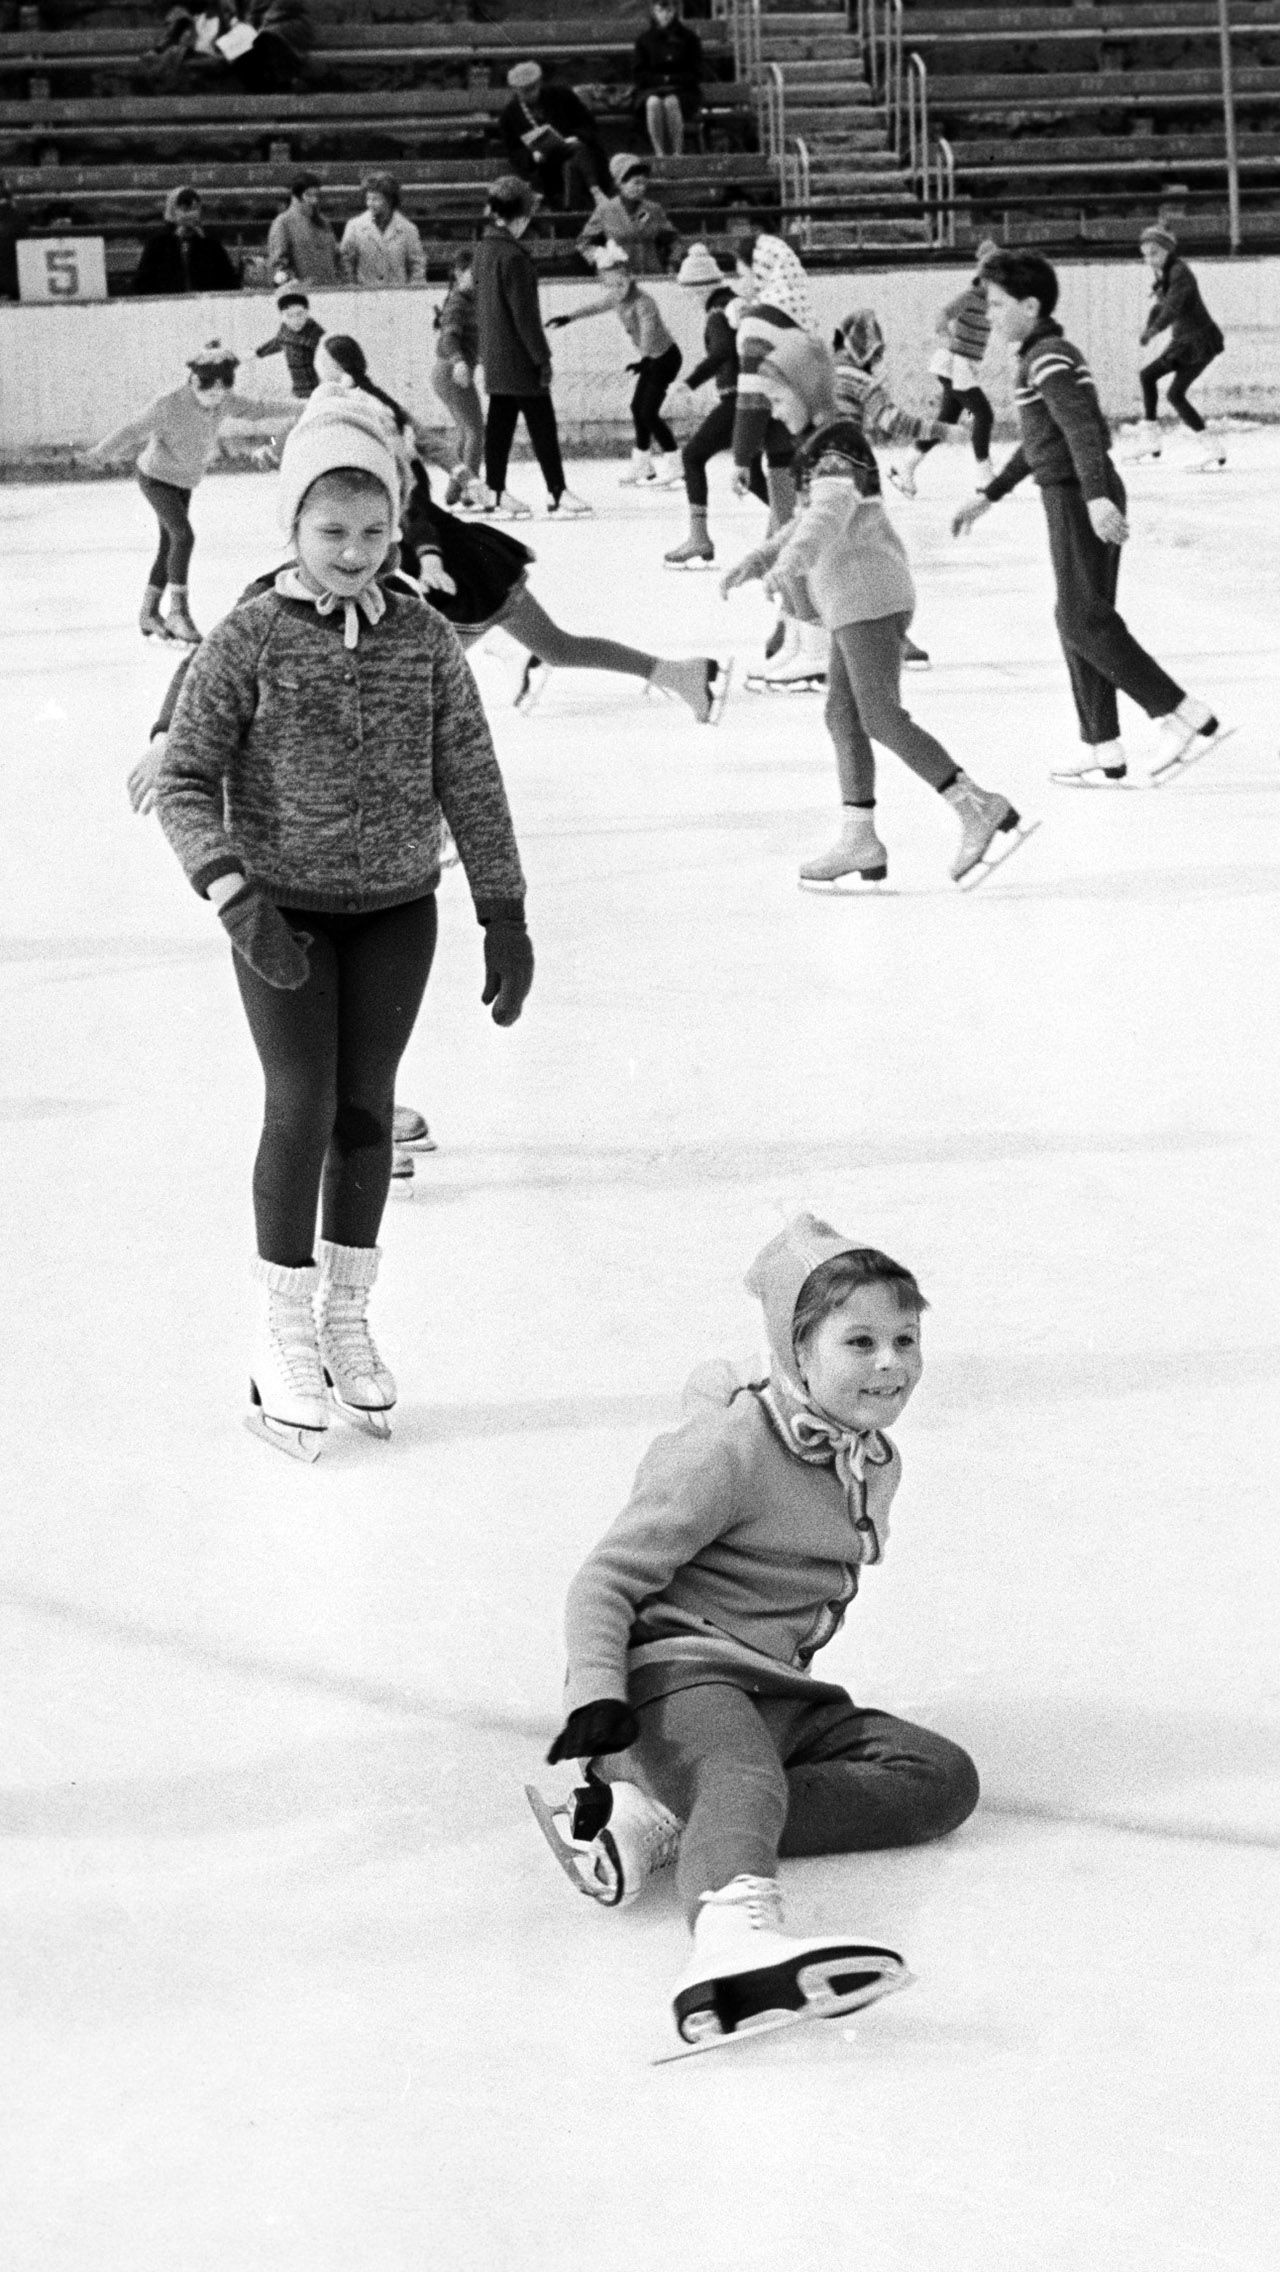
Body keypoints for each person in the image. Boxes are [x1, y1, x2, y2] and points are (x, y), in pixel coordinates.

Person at [151, 390, 534, 1462]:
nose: (356, 552)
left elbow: (471, 774)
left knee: (365, 1111)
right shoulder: (248, 637)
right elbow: (183, 779)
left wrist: (502, 908)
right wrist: (232, 891)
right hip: (278, 909)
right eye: (332, 533)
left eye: (373, 531)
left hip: (397, 908)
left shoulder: (421, 635)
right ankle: (281, 1330)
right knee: (301, 1103)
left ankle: (344, 1318)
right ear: (292, 527)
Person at [526, 1213, 979, 2049]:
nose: (891, 1365)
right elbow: (606, 1578)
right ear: (796, 1350)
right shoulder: (730, 1448)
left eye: (906, 1339)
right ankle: (731, 1936)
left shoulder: (872, 1456)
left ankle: (672, 1818)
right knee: (738, 1768)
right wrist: (596, 1695)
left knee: (941, 1779)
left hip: (772, 1690)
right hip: (675, 1678)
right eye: (861, 1342)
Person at [721, 337, 1023, 889]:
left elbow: (830, 512)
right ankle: (859, 837)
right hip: (850, 601)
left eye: (778, 398)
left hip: (869, 597)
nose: (773, 411)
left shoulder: (839, 442)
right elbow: (806, 516)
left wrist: (790, 564)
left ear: (808, 390)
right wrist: (761, 556)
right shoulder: (822, 443)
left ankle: (978, 806)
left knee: (879, 716)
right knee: (842, 715)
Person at [320, 332, 728, 723]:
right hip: (468, 566)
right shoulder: (378, 426)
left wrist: (429, 559)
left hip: (463, 575)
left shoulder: (384, 456)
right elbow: (425, 453)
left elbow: (416, 512)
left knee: (419, 675)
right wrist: (466, 478)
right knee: (558, 648)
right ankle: (679, 674)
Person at [952, 249, 1221, 788]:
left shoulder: (1047, 355)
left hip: (1080, 492)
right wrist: (991, 495)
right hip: (1069, 492)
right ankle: (1102, 744)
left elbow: (1080, 430)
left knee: (1082, 618)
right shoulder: (1039, 353)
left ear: (1030, 306)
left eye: (999, 303)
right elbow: (1039, 442)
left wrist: (1098, 499)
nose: (991, 313)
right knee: (1077, 616)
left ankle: (1179, 712)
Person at [84, 341, 293, 643]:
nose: (215, 401)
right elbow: (132, 430)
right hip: (155, 478)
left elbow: (259, 410)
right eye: (209, 394)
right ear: (194, 382)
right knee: (183, 536)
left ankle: (148, 613)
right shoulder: (168, 403)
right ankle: (178, 614)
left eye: (222, 394)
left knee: (169, 544)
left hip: (184, 481)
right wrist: (100, 453)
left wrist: (307, 403)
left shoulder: (223, 400)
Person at [472, 175, 590, 519]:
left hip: (494, 353)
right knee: (541, 424)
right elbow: (525, 315)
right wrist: (542, 357)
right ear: (521, 216)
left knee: (500, 423)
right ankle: (557, 492)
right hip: (519, 356)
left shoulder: (483, 251)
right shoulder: (514, 257)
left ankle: (494, 492)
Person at [663, 241, 769, 569]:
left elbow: (721, 353)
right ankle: (800, 515)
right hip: (754, 397)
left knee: (692, 456)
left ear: (697, 289)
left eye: (688, 290)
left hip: (739, 401)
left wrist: (688, 382)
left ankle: (699, 537)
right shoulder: (732, 304)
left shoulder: (716, 312)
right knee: (753, 474)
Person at [547, 242, 683, 487]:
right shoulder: (616, 298)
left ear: (628, 278)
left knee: (648, 413)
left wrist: (644, 360)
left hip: (665, 358)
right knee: (637, 408)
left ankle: (675, 465)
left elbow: (650, 334)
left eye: (620, 282)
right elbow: (595, 307)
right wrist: (568, 318)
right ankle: (643, 465)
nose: (616, 288)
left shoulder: (644, 302)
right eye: (610, 283)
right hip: (651, 359)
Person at [888, 243, 999, 499]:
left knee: (945, 421)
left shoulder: (993, 301)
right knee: (984, 414)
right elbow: (942, 313)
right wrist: (946, 336)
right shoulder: (970, 296)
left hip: (963, 366)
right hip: (955, 364)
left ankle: (904, 467)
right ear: (983, 275)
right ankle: (985, 477)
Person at [1133, 224, 1227, 471]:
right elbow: (1161, 307)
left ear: (1166, 250)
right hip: (1186, 341)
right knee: (1163, 387)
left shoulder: (1180, 272)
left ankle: (1156, 439)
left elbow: (1172, 306)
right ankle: (1159, 440)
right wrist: (1150, 324)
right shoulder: (1166, 273)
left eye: (1153, 253)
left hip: (1197, 343)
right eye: (1145, 255)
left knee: (1158, 383)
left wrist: (1153, 331)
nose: (1149, 260)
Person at [499, 61, 609, 213]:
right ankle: (594, 191)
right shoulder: (509, 114)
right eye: (523, 91)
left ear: (539, 83)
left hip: (573, 151)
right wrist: (532, 157)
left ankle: (572, 208)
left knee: (574, 157)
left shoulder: (562, 96)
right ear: (516, 90)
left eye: (532, 89)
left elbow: (588, 124)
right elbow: (513, 150)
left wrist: (576, 136)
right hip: (546, 166)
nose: (529, 94)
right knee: (574, 158)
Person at [431, 249, 486, 507]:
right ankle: (469, 489)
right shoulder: (457, 302)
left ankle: (454, 491)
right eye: (472, 274)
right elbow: (449, 337)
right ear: (458, 273)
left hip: (449, 372)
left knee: (466, 432)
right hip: (451, 371)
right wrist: (459, 362)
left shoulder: (468, 300)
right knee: (475, 430)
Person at [577, 153, 679, 277]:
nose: (641, 188)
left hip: (651, 276)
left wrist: (673, 263)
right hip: (617, 278)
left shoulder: (653, 209)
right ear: (621, 183)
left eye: (644, 183)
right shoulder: (605, 210)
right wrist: (600, 256)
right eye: (636, 183)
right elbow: (583, 243)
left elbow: (674, 241)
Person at [131, 186, 241, 296]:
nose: (191, 214)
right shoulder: (157, 245)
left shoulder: (212, 245)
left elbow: (229, 284)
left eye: (195, 208)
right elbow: (141, 285)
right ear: (173, 211)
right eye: (185, 209)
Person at [632, 1, 705, 159]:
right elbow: (639, 73)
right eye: (660, 11)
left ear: (674, 12)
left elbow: (696, 72)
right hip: (651, 88)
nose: (664, 15)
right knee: (653, 103)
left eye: (669, 11)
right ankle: (660, 154)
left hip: (683, 90)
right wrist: (662, 80)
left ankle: (677, 153)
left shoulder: (689, 39)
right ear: (654, 12)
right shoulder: (644, 40)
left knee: (671, 102)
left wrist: (672, 79)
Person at [338, 174, 426, 289]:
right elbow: (346, 264)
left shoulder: (408, 229)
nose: (370, 203)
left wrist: (413, 293)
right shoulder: (354, 227)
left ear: (389, 200)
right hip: (364, 298)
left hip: (398, 298)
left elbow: (417, 267)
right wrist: (351, 289)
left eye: (376, 199)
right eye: (368, 198)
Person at [266, 174, 340, 288]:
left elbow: (336, 258)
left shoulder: (324, 223)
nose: (314, 200)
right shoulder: (283, 222)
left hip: (330, 290)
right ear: (296, 196)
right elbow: (278, 265)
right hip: (302, 293)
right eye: (308, 195)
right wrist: (295, 285)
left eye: (316, 195)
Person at [255, 285, 323, 400]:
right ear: (282, 316)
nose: (295, 320)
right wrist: (257, 353)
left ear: (307, 312)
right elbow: (277, 342)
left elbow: (330, 358)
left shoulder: (316, 335)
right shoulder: (285, 332)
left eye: (300, 314)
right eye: (289, 316)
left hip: (318, 389)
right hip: (298, 390)